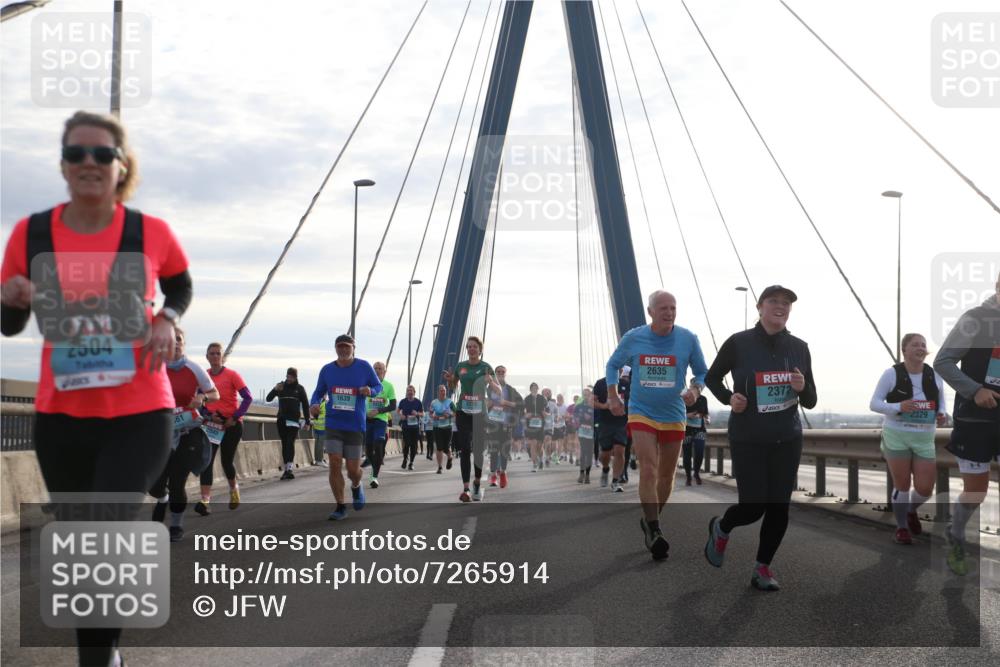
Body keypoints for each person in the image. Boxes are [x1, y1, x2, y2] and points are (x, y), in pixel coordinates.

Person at [1, 110, 192, 667]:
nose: (89, 163)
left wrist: (167, 318)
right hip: (62, 416)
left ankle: (99, 658)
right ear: (63, 165)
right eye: (76, 153)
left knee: (106, 531)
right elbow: (9, 324)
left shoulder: (149, 232)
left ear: (121, 165)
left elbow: (179, 284)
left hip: (140, 413)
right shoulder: (32, 233)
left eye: (102, 154)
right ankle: (104, 652)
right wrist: (11, 297)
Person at [703, 285, 817, 590]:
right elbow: (712, 378)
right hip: (749, 437)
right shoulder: (738, 343)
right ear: (760, 307)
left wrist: (802, 387)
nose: (780, 307)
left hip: (787, 439)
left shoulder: (799, 347)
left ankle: (762, 568)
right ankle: (722, 527)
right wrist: (729, 398)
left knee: (779, 507)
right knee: (753, 507)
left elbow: (811, 401)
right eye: (773, 301)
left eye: (786, 303)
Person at [606, 290, 708, 561]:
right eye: (663, 308)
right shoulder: (634, 337)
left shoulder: (688, 338)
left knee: (666, 475)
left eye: (673, 307)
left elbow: (701, 371)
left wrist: (695, 390)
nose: (669, 312)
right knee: (649, 469)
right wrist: (613, 395)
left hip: (674, 414)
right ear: (650, 312)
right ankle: (654, 528)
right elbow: (613, 365)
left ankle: (650, 520)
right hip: (642, 412)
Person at [933, 273, 1000, 576]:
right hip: (975, 420)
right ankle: (956, 535)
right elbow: (943, 361)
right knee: (976, 492)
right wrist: (975, 391)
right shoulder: (975, 318)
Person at [869, 333, 947, 544]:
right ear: (904, 349)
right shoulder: (891, 374)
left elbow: (941, 403)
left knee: (925, 488)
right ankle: (902, 527)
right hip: (897, 435)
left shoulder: (934, 375)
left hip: (924, 437)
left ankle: (911, 510)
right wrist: (898, 407)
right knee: (902, 484)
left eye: (923, 345)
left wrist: (942, 414)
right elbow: (874, 403)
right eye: (915, 345)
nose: (920, 348)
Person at [153, 327, 218, 542]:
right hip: (161, 432)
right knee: (154, 484)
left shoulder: (193, 368)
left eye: (179, 339)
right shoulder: (154, 368)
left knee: (177, 481)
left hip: (188, 431)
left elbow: (214, 393)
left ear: (184, 343)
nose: (175, 343)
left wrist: (202, 398)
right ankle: (162, 498)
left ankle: (176, 525)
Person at [310, 334, 381, 520]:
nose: (343, 349)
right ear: (335, 348)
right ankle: (340, 506)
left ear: (353, 348)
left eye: (346, 346)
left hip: (355, 425)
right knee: (334, 462)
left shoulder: (364, 367)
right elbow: (318, 392)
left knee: (352, 471)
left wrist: (371, 391)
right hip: (333, 423)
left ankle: (356, 485)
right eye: (339, 346)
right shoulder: (327, 370)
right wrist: (314, 403)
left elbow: (378, 386)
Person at [443, 336, 499, 502]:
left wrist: (491, 382)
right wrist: (450, 381)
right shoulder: (461, 366)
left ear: (480, 350)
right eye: (469, 347)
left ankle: (477, 483)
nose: (471, 349)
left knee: (478, 450)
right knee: (465, 448)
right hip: (463, 411)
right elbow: (453, 387)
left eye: (474, 346)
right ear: (467, 349)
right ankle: (466, 488)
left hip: (480, 413)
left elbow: (498, 390)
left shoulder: (486, 367)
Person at [199, 342, 253, 514]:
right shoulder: (203, 376)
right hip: (212, 424)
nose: (215, 356)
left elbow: (248, 398)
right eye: (212, 353)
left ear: (222, 357)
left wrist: (234, 418)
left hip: (231, 424)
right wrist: (208, 415)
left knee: (226, 461)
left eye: (218, 353)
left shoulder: (232, 375)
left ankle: (234, 490)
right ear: (207, 357)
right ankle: (205, 501)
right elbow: (199, 402)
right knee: (206, 461)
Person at [267, 367, 311, 480]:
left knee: (290, 442)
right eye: (288, 376)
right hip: (282, 420)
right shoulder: (281, 386)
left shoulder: (299, 389)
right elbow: (268, 399)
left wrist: (307, 421)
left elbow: (306, 405)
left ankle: (289, 469)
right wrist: (275, 389)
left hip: (294, 421)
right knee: (285, 443)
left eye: (291, 377)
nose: (289, 379)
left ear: (295, 377)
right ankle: (286, 468)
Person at [592, 369, 630, 491]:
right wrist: (604, 406)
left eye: (619, 369)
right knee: (605, 454)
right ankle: (605, 469)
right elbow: (592, 401)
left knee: (620, 451)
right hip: (605, 423)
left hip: (621, 422)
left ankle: (615, 481)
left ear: (621, 371)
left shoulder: (625, 384)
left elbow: (633, 400)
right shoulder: (600, 383)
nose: (617, 371)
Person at [486, 365, 522, 489]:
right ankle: (493, 475)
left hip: (506, 424)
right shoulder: (488, 389)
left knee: (504, 450)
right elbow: (483, 404)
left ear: (505, 374)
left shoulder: (510, 390)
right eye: (498, 372)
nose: (500, 373)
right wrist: (488, 404)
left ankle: (503, 473)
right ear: (495, 374)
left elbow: (520, 404)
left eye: (503, 372)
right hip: (493, 423)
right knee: (494, 449)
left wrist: (506, 403)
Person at [364, 361, 396, 488]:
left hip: (381, 420)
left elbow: (393, 405)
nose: (377, 370)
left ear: (384, 371)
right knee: (368, 450)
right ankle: (373, 465)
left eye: (380, 368)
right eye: (375, 368)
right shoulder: (366, 385)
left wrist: (378, 411)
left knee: (378, 445)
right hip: (367, 420)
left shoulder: (388, 386)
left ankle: (374, 477)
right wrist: (364, 413)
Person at [683, 393, 710, 486]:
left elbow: (706, 413)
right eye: (694, 386)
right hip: (686, 430)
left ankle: (696, 473)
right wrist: (687, 415)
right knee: (687, 455)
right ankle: (688, 477)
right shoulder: (684, 397)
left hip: (700, 429)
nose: (697, 388)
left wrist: (708, 419)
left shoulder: (703, 399)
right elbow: (677, 413)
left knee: (699, 452)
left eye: (699, 387)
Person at [430, 384, 456, 473]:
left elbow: (456, 413)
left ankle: (450, 457)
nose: (443, 392)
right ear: (438, 392)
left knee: (446, 447)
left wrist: (449, 415)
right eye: (441, 390)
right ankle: (440, 467)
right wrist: (434, 416)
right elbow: (430, 413)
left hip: (447, 427)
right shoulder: (434, 402)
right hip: (437, 427)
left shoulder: (450, 402)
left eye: (444, 390)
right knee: (439, 447)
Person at [397, 385, 423, 470]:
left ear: (414, 392)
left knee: (413, 445)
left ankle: (411, 462)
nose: (409, 392)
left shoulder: (418, 402)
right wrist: (401, 415)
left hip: (415, 427)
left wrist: (417, 413)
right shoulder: (403, 401)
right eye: (408, 391)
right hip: (406, 426)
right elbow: (398, 410)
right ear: (406, 392)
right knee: (407, 443)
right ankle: (405, 459)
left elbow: (423, 414)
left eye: (411, 391)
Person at [523, 382, 547, 472]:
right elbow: (522, 410)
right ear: (530, 389)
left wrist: (546, 414)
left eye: (536, 388)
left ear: (538, 389)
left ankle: (541, 459)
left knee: (539, 446)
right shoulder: (527, 399)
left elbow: (547, 410)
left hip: (540, 425)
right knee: (533, 444)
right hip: (530, 425)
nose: (534, 389)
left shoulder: (542, 398)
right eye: (532, 388)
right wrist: (525, 414)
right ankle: (534, 464)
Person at [576, 387, 595, 483]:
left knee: (589, 453)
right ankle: (581, 473)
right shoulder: (579, 406)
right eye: (584, 395)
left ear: (590, 395)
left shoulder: (594, 406)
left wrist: (590, 418)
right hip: (582, 432)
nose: (586, 397)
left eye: (587, 395)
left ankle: (587, 475)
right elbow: (574, 417)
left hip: (591, 432)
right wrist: (579, 419)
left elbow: (598, 420)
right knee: (583, 452)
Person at [312, 399, 328, 466]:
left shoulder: (315, 403)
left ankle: (317, 460)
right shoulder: (325, 404)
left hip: (316, 426)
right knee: (321, 445)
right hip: (322, 427)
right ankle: (320, 460)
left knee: (317, 444)